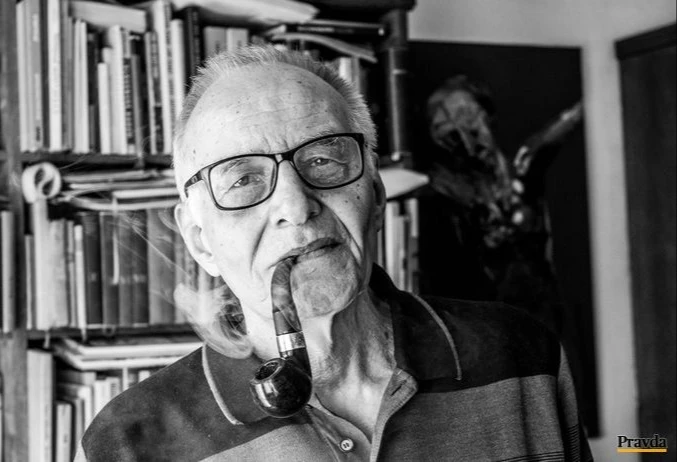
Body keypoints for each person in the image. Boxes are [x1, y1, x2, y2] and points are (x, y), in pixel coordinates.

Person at [76, 46, 592, 462]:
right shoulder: (127, 444)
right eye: (244, 179)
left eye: (323, 159)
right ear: (200, 240)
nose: (296, 207)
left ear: (376, 196)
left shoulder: (523, 358)